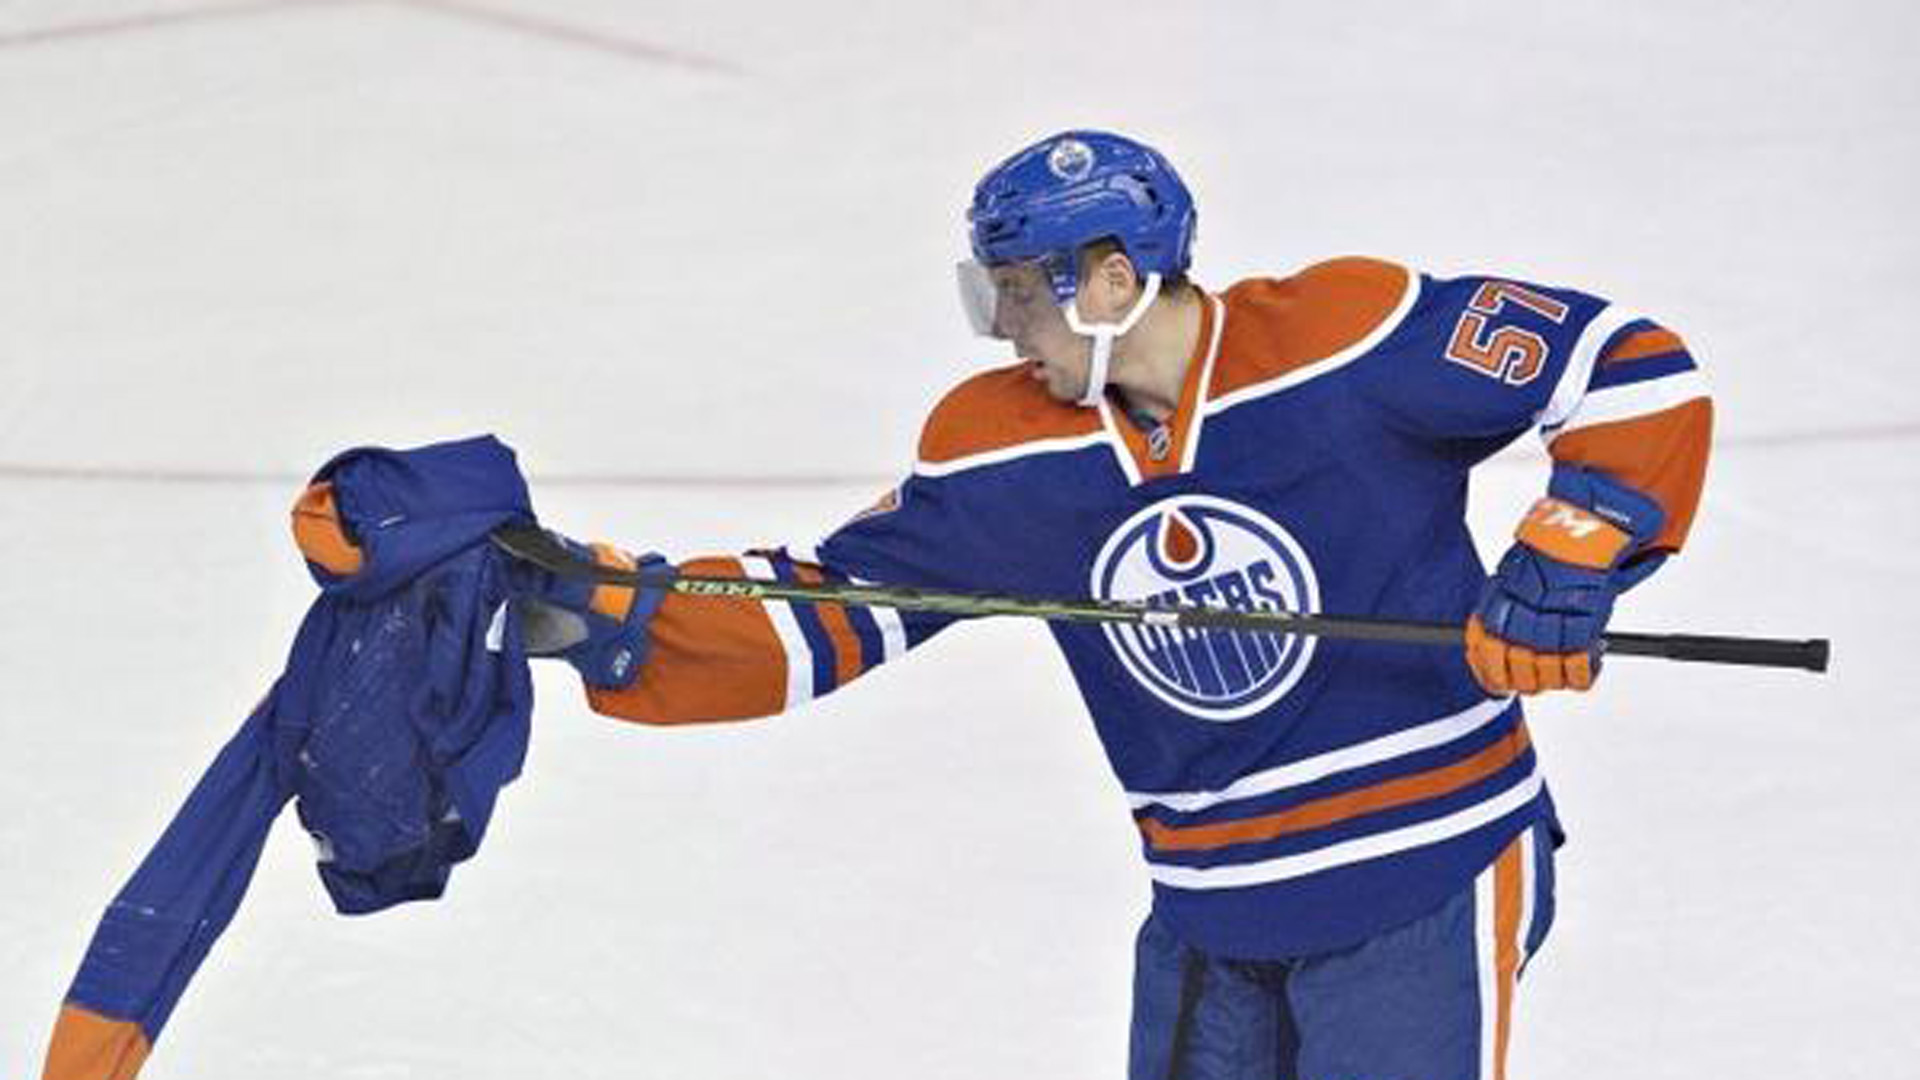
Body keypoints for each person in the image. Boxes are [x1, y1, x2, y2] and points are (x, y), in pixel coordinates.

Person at [517, 130, 1712, 1080]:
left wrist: (1574, 546)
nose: (1002, 332)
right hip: (1211, 911)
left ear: (1110, 280)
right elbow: (833, 609)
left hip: (1427, 869)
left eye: (1017, 299)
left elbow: (1625, 361)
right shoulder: (1002, 453)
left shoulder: (1347, 336)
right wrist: (598, 609)